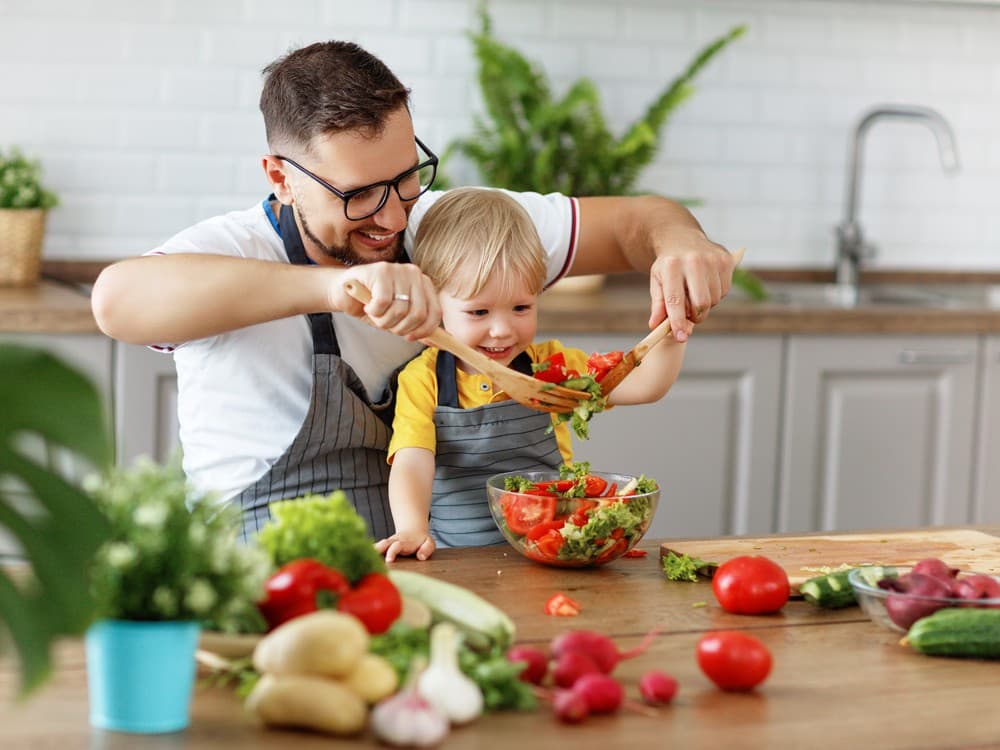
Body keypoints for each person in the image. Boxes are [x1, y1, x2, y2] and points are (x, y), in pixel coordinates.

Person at [90, 40, 738, 542]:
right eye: (358, 195)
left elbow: (637, 223)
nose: (395, 218)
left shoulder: (455, 227)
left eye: (406, 178)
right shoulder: (232, 250)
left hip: (423, 563)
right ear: (280, 178)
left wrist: (679, 242)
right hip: (262, 568)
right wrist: (336, 287)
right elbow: (117, 300)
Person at [375, 188, 685, 562]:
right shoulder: (423, 379)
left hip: (551, 552)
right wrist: (411, 529)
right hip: (458, 560)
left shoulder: (553, 366)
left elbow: (644, 385)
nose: (503, 330)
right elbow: (413, 460)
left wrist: (674, 330)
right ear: (435, 301)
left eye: (521, 307)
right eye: (479, 312)